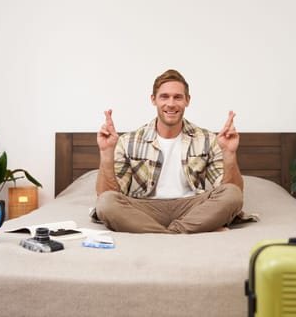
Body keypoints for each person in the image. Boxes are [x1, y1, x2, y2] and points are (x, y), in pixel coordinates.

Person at [94, 69, 244, 234]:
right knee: (106, 202)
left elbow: (231, 190)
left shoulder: (207, 139)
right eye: (164, 97)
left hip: (193, 207)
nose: (171, 104)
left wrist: (229, 154)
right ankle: (184, 231)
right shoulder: (129, 141)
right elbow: (108, 194)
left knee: (232, 194)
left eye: (178, 97)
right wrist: (106, 153)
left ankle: (162, 233)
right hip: (145, 209)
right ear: (154, 100)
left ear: (187, 100)